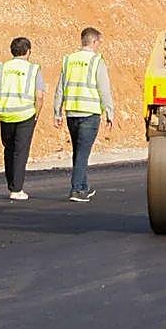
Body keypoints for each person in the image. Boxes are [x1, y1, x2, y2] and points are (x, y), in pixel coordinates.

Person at [54, 27, 114, 202]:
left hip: (71, 112)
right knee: (83, 152)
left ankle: (84, 186)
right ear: (94, 42)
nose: (99, 46)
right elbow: (104, 89)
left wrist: (57, 111)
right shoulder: (97, 61)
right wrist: (110, 112)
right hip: (90, 112)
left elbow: (60, 88)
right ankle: (76, 189)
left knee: (78, 151)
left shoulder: (69, 60)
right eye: (99, 43)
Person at [0, 37, 46, 200]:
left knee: (9, 149)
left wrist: (1, 105)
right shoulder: (33, 69)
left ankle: (11, 183)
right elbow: (40, 96)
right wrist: (36, 114)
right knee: (20, 152)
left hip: (6, 114)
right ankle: (16, 189)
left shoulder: (1, 68)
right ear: (28, 51)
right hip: (26, 114)